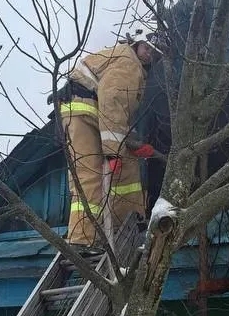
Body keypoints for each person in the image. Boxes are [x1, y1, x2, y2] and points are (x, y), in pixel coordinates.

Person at [59, 30, 165, 248]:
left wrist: (132, 143)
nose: (149, 55)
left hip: (91, 113)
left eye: (154, 53)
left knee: (127, 166)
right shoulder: (129, 63)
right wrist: (112, 151)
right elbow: (112, 103)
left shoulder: (129, 63)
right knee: (91, 176)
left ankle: (125, 223)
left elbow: (119, 115)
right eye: (147, 48)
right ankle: (83, 240)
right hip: (85, 111)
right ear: (136, 43)